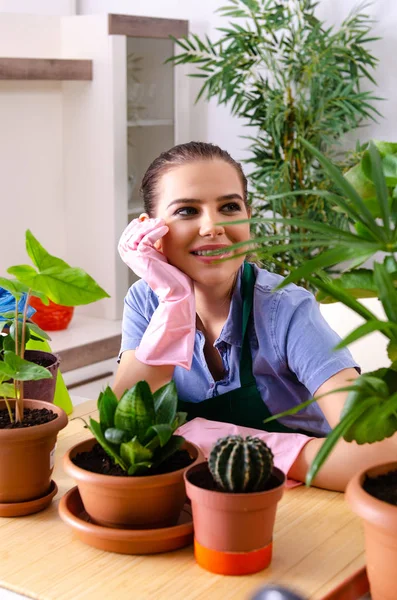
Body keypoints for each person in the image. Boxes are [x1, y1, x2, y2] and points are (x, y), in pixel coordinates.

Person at [114, 141, 396, 491]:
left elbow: (382, 453)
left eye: (229, 206)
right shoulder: (146, 302)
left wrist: (231, 446)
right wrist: (174, 301)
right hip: (204, 496)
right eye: (187, 211)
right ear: (149, 231)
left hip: (305, 499)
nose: (212, 226)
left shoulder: (287, 309)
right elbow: (125, 426)